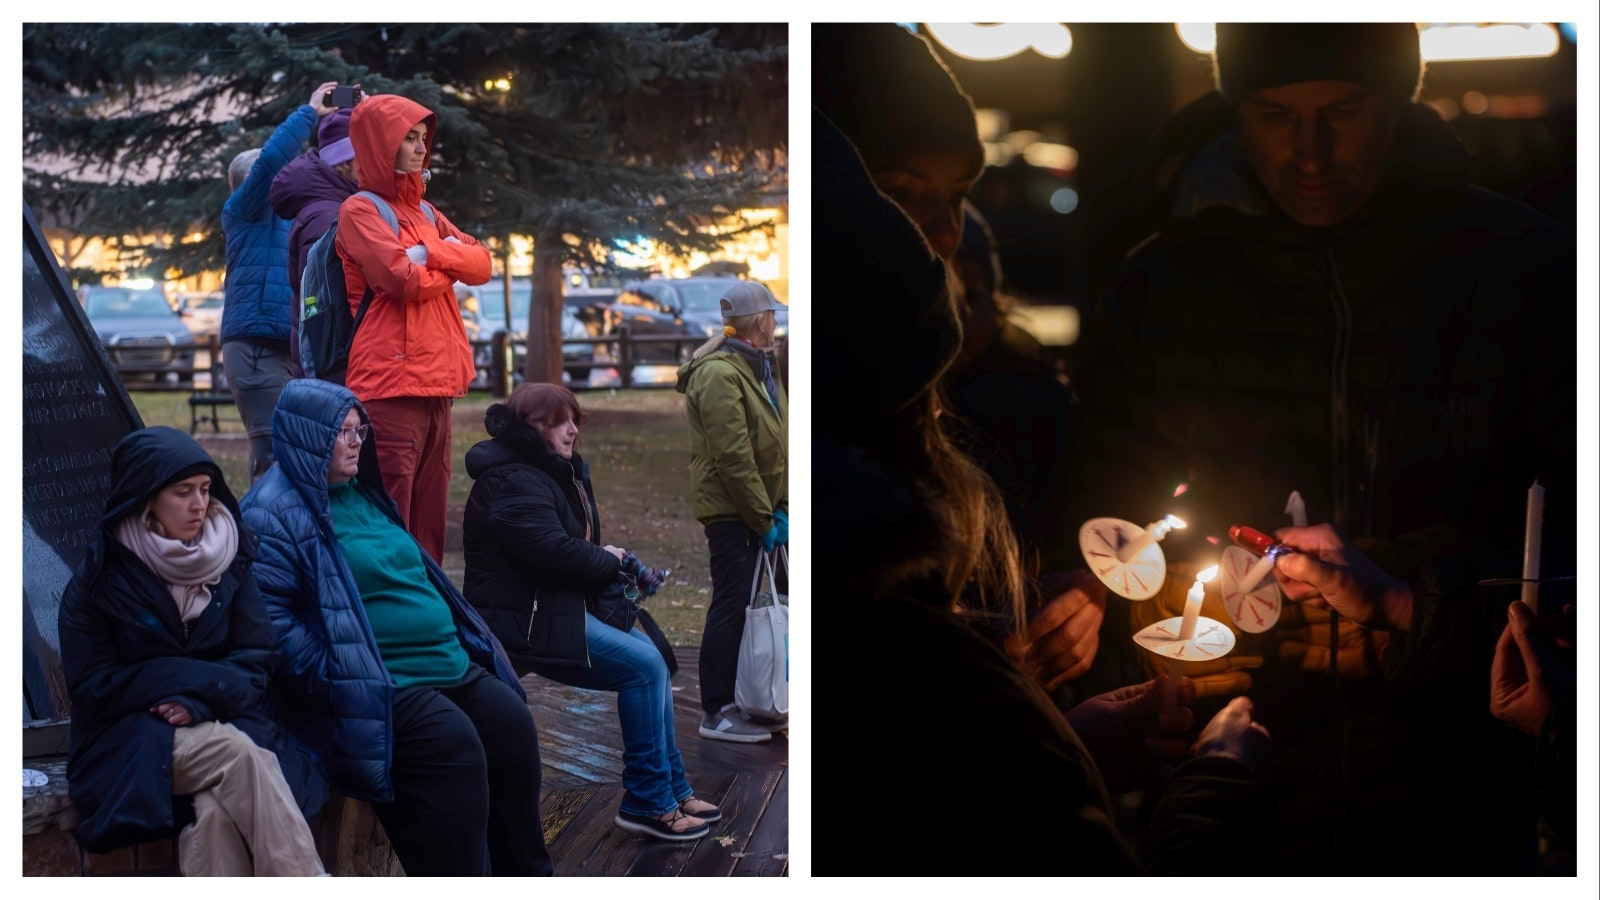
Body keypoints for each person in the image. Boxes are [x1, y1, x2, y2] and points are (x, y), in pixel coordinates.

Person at [1068, 23, 1576, 872]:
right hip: (1231, 811)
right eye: (1273, 113)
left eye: (1343, 110)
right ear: (1235, 107)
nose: (1309, 151)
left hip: (1458, 811)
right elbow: (1092, 529)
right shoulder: (1160, 286)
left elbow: (1570, 553)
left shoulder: (1522, 272)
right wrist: (1143, 635)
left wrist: (1417, 606)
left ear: (1399, 97)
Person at [812, 103, 1277, 875]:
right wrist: (1217, 790)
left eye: (961, 196)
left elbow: (967, 806)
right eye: (932, 403)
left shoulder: (915, 641)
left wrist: (1067, 744)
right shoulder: (907, 653)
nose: (946, 231)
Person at [814, 22, 1105, 699]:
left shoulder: (953, 409)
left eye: (957, 194)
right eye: (901, 190)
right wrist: (982, 689)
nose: (945, 231)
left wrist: (991, 662)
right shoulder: (845, 446)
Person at [240, 378, 551, 876]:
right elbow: (272, 626)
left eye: (358, 429)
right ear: (306, 437)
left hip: (444, 664)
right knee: (454, 746)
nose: (356, 441)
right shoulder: (271, 513)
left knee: (512, 725)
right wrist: (350, 672)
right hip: (380, 683)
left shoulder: (362, 494)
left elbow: (415, 575)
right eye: (341, 432)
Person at [58, 426, 326, 876]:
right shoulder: (97, 582)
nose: (199, 504)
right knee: (233, 752)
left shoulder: (229, 559)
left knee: (216, 813)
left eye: (204, 489)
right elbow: (95, 687)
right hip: (126, 746)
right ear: (147, 498)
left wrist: (194, 699)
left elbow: (257, 661)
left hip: (222, 719)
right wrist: (190, 680)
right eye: (182, 492)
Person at [461, 383, 716, 841]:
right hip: (525, 619)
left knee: (653, 660)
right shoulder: (512, 480)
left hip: (556, 605)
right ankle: (647, 800)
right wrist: (610, 560)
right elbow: (554, 551)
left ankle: (671, 788)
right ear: (532, 427)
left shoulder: (550, 470)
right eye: (561, 421)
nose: (573, 429)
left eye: (574, 418)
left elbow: (565, 547)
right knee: (642, 668)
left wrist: (602, 555)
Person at [337, 92, 492, 564]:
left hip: (436, 384)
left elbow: (482, 263)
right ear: (382, 144)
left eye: (423, 138)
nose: (421, 148)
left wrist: (432, 254)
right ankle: (389, 626)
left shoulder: (425, 213)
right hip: (391, 384)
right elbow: (400, 279)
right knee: (392, 520)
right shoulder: (360, 211)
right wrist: (444, 258)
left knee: (428, 525)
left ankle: (429, 619)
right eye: (408, 138)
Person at [674, 280, 788, 742]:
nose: (776, 322)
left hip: (770, 508)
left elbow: (776, 438)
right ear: (759, 321)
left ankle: (768, 693)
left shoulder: (760, 365)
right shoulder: (720, 373)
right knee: (733, 605)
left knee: (782, 605)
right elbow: (733, 455)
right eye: (773, 316)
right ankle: (716, 710)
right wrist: (763, 519)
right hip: (735, 512)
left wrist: (782, 506)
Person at [222, 80, 342, 484]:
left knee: (304, 450)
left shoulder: (295, 216)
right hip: (255, 348)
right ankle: (263, 541)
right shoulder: (243, 211)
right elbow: (273, 163)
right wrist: (310, 114)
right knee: (275, 455)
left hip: (290, 346)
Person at [269, 100, 361, 375]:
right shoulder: (327, 216)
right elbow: (323, 303)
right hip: (337, 366)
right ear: (347, 162)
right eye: (368, 154)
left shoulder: (335, 205)